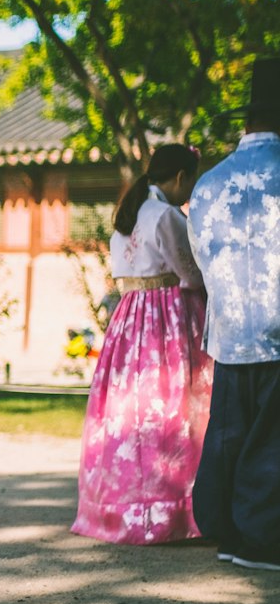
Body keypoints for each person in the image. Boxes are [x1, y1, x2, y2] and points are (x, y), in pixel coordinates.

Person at [72, 142, 212, 544]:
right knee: (172, 409)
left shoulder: (129, 212)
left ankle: (119, 507)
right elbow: (190, 272)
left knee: (128, 411)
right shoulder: (166, 215)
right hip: (166, 316)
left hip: (130, 317)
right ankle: (172, 510)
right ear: (182, 177)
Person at [187, 57, 280, 571]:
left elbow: (199, 255)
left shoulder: (208, 183)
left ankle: (222, 529)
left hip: (229, 326)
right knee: (271, 438)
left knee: (228, 432)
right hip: (277, 325)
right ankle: (261, 540)